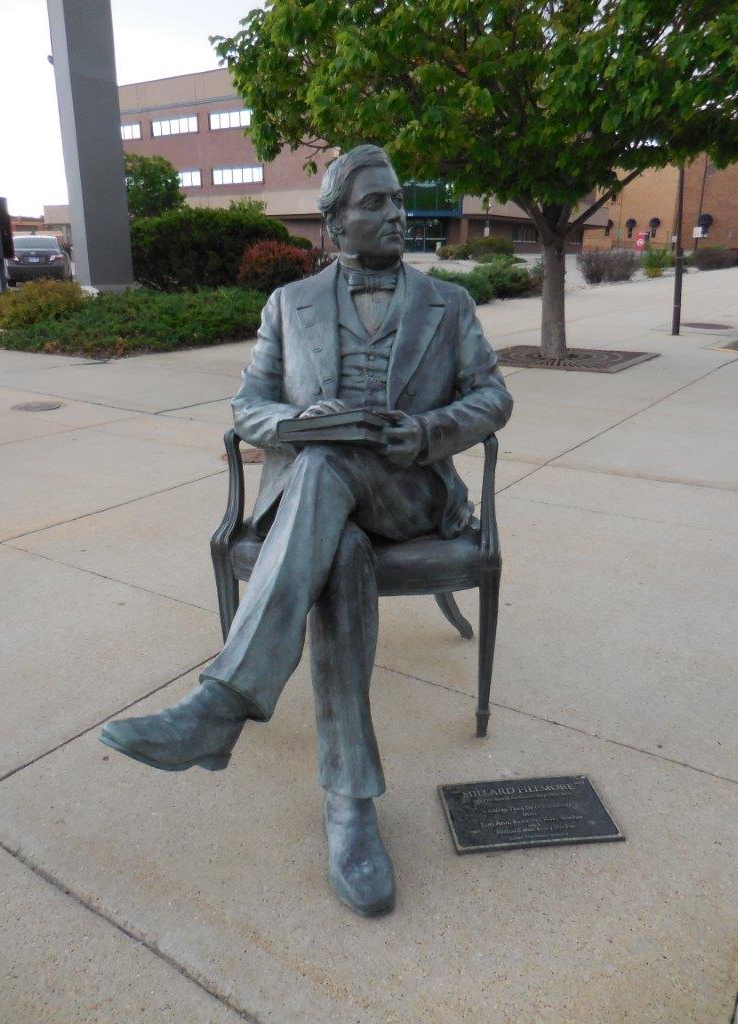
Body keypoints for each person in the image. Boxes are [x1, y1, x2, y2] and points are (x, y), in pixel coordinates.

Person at [100, 145, 513, 916]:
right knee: (339, 541)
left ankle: (220, 708)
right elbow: (248, 406)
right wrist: (297, 420)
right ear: (332, 223)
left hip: (411, 493)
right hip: (330, 513)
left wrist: (424, 432)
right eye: (376, 204)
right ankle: (350, 805)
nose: (396, 214)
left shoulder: (448, 305)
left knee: (322, 477)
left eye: (398, 202)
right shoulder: (286, 306)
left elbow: (493, 400)